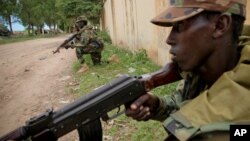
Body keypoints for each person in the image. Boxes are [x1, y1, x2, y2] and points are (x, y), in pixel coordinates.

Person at [125, 0, 250, 140]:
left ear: (220, 25)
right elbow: (185, 103)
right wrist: (157, 105)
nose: (169, 39)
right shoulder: (203, 70)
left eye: (179, 26)